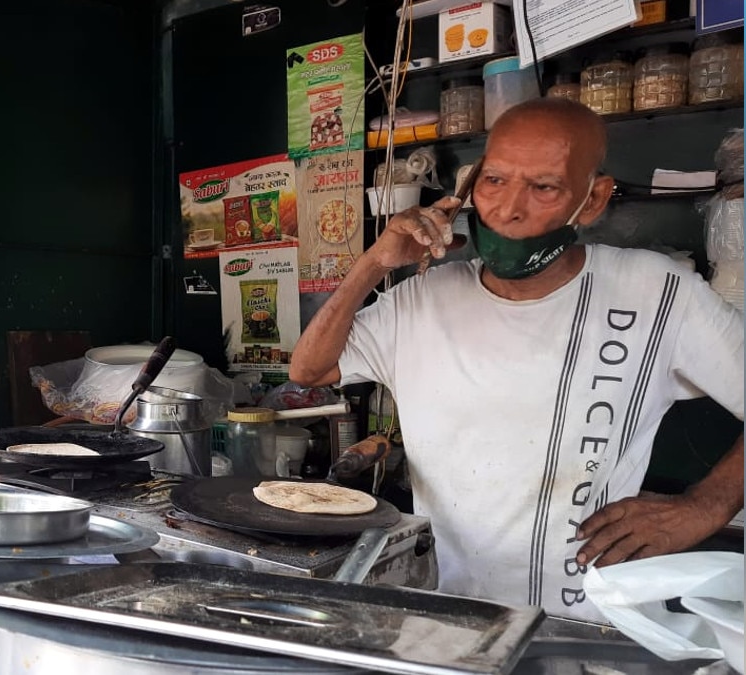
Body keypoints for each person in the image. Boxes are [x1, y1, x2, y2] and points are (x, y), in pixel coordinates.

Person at [290, 97, 744, 622]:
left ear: (592, 200)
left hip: (587, 621)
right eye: (494, 181)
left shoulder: (657, 292)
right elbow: (310, 369)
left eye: (544, 187)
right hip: (451, 613)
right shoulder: (420, 301)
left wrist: (705, 506)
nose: (509, 209)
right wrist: (372, 263)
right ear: (467, 190)